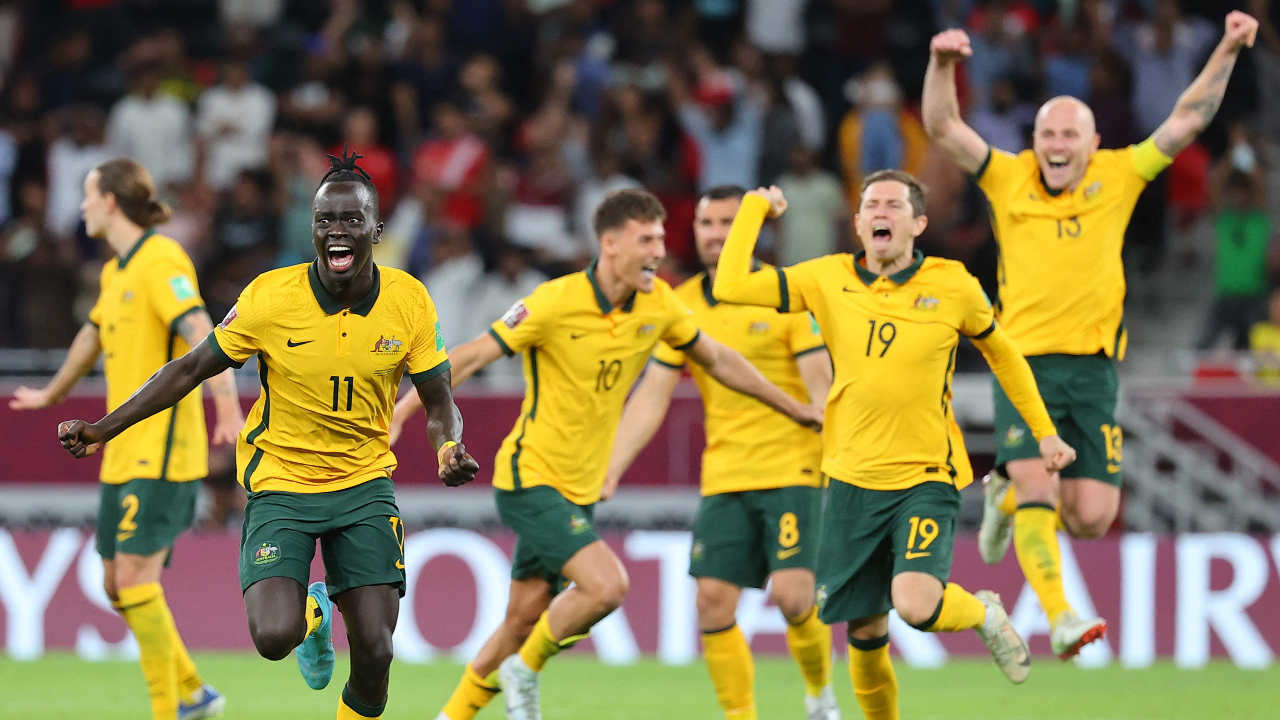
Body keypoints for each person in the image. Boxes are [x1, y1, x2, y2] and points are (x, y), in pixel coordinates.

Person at [56, 148, 481, 720]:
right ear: (312, 229)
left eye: (351, 219)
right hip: (282, 485)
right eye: (324, 220)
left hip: (363, 486)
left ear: (376, 230)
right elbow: (189, 368)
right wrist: (104, 429)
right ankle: (314, 615)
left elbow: (439, 401)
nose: (337, 231)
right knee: (274, 636)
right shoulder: (271, 297)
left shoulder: (408, 301)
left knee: (377, 652)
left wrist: (448, 445)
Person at [389, 188, 822, 720]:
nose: (659, 251)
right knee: (607, 586)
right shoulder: (554, 301)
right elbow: (473, 354)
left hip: (581, 489)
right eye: (647, 240)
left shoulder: (661, 304)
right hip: (531, 479)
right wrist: (404, 411)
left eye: (661, 239)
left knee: (523, 618)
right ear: (611, 244)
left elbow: (719, 360)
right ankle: (525, 669)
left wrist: (794, 407)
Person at [920, 11, 1259, 659]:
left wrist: (1228, 46)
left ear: (1092, 141)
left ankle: (1005, 500)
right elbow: (942, 126)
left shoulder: (1120, 175)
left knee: (1092, 518)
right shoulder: (1007, 175)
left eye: (1069, 134)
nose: (1056, 144)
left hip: (1095, 370)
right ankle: (1061, 617)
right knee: (1040, 487)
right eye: (1047, 133)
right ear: (1034, 141)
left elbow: (1190, 117)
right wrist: (940, 65)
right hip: (1023, 365)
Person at [713, 175, 1077, 720]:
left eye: (894, 204)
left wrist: (1044, 431)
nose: (880, 212)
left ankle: (982, 614)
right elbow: (730, 285)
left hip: (925, 475)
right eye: (870, 205)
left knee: (915, 602)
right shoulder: (826, 277)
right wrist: (753, 209)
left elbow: (1003, 354)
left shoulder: (953, 284)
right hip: (851, 479)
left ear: (918, 223)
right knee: (864, 632)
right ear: (859, 223)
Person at [12, 158, 243, 720]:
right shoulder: (116, 272)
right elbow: (91, 336)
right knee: (117, 584)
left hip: (163, 450)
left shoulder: (162, 259)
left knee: (135, 578)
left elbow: (202, 332)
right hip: (121, 453)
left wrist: (227, 407)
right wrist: (51, 395)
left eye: (88, 195)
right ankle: (194, 692)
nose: (82, 205)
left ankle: (169, 710)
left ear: (111, 202)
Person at [605, 185, 839, 720]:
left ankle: (820, 696)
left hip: (794, 466)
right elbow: (652, 396)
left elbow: (821, 387)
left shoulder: (783, 295)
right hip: (726, 473)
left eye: (730, 223)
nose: (717, 235)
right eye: (707, 224)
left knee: (794, 598)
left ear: (752, 231)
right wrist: (611, 467)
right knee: (711, 603)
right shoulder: (679, 303)